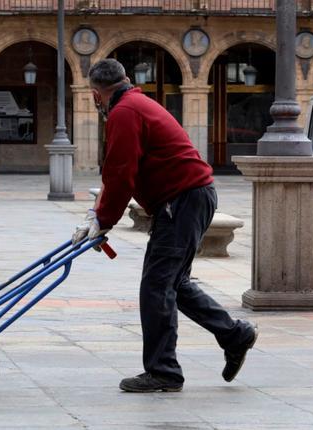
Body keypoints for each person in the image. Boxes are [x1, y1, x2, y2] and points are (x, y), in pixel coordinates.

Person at [75, 58, 257, 393]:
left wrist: (102, 220)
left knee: (157, 285)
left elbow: (120, 174)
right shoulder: (134, 104)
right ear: (126, 78)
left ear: (97, 94)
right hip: (190, 197)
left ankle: (164, 371)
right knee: (175, 284)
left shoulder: (124, 112)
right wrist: (98, 214)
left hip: (183, 199)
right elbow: (121, 174)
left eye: (94, 97)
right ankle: (235, 334)